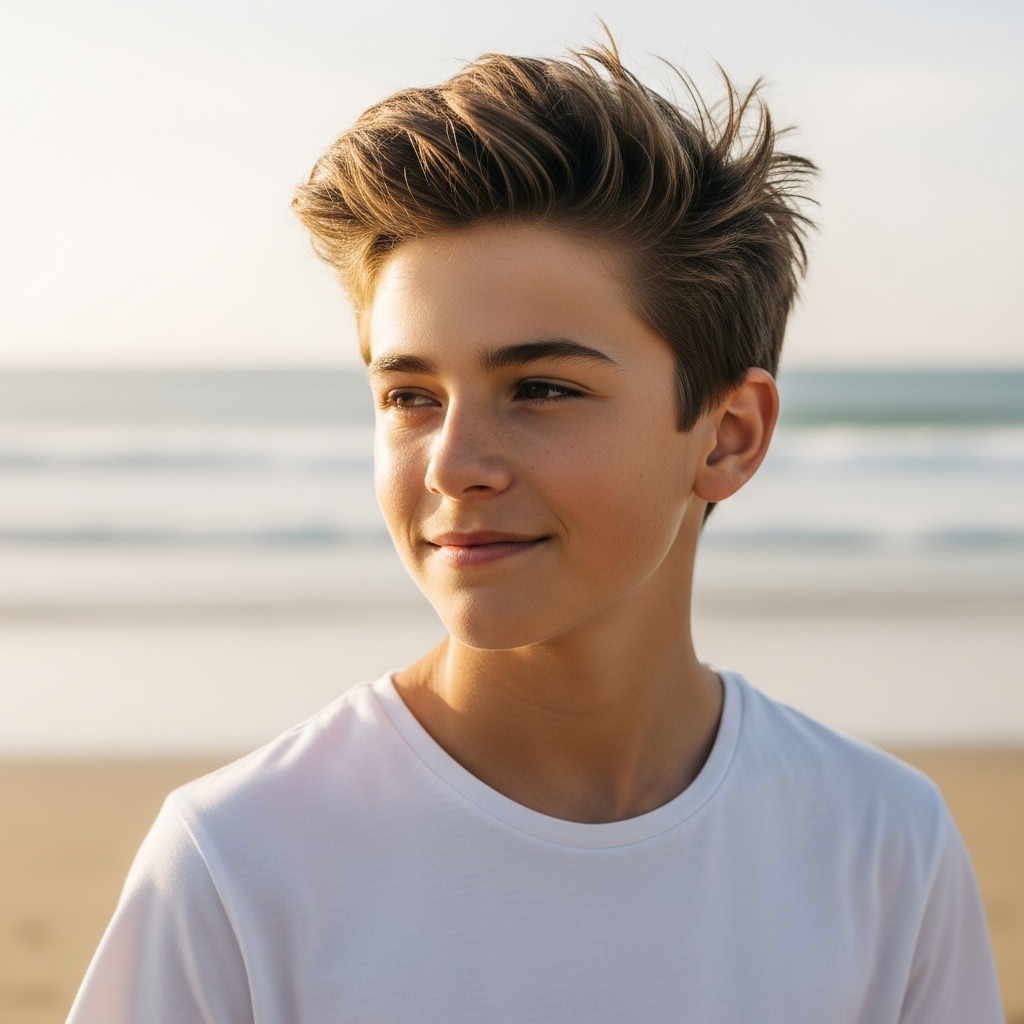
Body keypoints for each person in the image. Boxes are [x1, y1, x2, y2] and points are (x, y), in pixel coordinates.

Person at [67, 44, 1003, 1023]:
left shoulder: (880, 846)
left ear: (727, 436)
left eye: (542, 388)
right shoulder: (240, 863)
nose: (452, 461)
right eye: (409, 394)